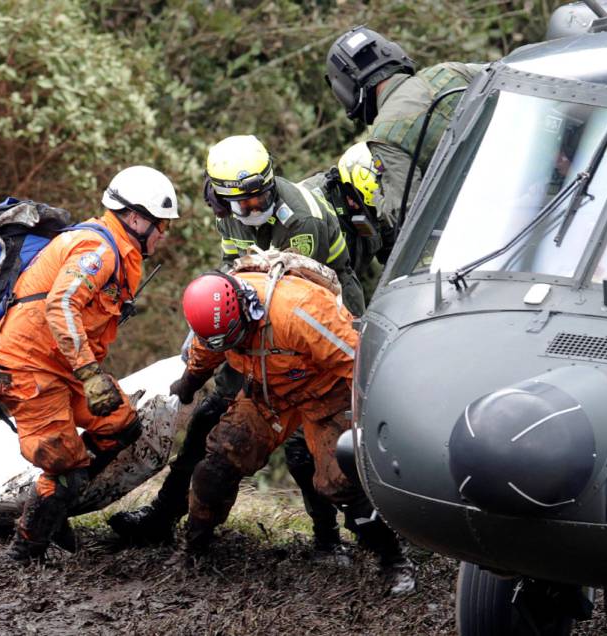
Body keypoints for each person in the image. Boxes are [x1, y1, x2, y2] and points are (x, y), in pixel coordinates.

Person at [108, 135, 367, 559]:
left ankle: (329, 539)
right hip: (256, 308)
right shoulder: (225, 211)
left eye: (258, 198)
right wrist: (205, 338)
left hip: (315, 314)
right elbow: (239, 270)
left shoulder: (301, 221)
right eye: (240, 203)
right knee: (211, 419)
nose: (250, 209)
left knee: (306, 442)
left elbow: (292, 300)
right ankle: (164, 515)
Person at [170, 267, 415, 594]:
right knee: (218, 463)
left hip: (326, 393)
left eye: (236, 337)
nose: (234, 345)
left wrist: (385, 414)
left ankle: (393, 560)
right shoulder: (215, 326)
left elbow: (361, 363)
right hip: (268, 393)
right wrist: (188, 384)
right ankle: (195, 549)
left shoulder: (300, 312)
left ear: (246, 311)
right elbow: (205, 354)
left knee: (339, 479)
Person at [0, 165, 179, 563]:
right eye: (161, 225)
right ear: (136, 218)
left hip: (64, 367)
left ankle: (53, 506)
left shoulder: (120, 251)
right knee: (67, 473)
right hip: (27, 369)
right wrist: (90, 374)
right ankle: (25, 552)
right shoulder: (99, 251)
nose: (164, 233)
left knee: (121, 426)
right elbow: (61, 305)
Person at [326, 26, 486, 237]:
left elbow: (409, 218)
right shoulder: (451, 71)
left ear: (346, 90)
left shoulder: (385, 136)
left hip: (486, 217)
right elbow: (516, 73)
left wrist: (376, 198)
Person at [300, 142, 392, 290]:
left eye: (369, 207)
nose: (356, 205)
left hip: (346, 288)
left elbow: (393, 252)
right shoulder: (311, 204)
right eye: (355, 198)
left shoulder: (378, 205)